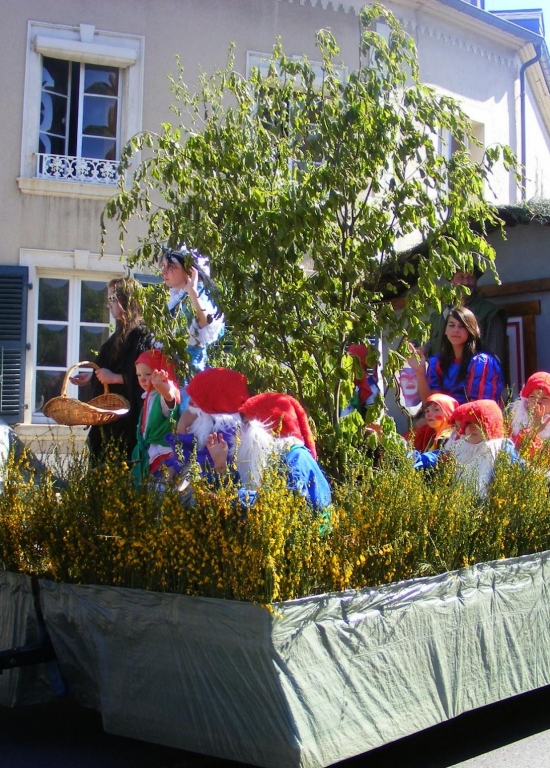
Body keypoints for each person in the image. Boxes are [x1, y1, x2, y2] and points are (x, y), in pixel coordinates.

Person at [206, 392, 332, 512]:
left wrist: (235, 499)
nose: (240, 432)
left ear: (269, 427)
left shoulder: (296, 458)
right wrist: (221, 466)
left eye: (246, 424)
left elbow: (280, 505)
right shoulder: (273, 459)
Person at [70, 277, 150, 460]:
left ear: (126, 300)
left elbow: (146, 378)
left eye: (112, 299)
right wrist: (93, 377)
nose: (108, 305)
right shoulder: (116, 337)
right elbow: (110, 367)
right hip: (108, 421)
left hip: (127, 422)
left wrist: (115, 378)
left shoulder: (141, 337)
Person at [160, 246, 224, 410]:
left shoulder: (197, 297)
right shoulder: (175, 299)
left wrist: (193, 293)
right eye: (163, 265)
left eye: (171, 266)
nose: (164, 271)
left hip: (189, 378)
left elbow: (206, 323)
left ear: (189, 271)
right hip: (169, 376)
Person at [407, 306, 504, 406]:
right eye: (451, 325)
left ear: (471, 330)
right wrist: (420, 371)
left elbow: (478, 408)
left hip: (470, 415)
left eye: (461, 326)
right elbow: (432, 405)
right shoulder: (437, 362)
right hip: (444, 415)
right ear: (445, 330)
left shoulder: (482, 363)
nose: (456, 330)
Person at [165, 367, 251, 478]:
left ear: (214, 399)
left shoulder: (225, 432)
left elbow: (187, 465)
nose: (190, 402)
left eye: (197, 397)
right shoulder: (205, 421)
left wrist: (182, 426)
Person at [427, 267, 508, 378]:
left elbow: (495, 359)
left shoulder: (489, 313)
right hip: (440, 381)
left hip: (476, 381)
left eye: (470, 277)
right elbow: (431, 345)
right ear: (452, 281)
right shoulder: (438, 315)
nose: (466, 282)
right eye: (461, 277)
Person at [446, 399, 518, 496]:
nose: (471, 428)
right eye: (468, 423)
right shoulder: (458, 447)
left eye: (478, 423)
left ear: (492, 426)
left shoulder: (502, 450)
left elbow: (524, 470)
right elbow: (437, 457)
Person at [131, 349, 180, 485]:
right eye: (139, 375)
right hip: (150, 454)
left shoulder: (161, 396)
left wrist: (161, 385)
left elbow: (170, 398)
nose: (142, 379)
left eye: (148, 374)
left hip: (163, 455)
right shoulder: (148, 396)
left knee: (160, 490)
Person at [410, 393, 459, 470]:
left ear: (448, 411)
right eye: (427, 411)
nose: (429, 414)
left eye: (436, 410)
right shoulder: (435, 436)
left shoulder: (449, 438)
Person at [508, 372, 550, 453]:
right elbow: (516, 450)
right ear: (526, 401)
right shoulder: (516, 423)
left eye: (544, 398)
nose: (537, 401)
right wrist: (534, 429)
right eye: (532, 397)